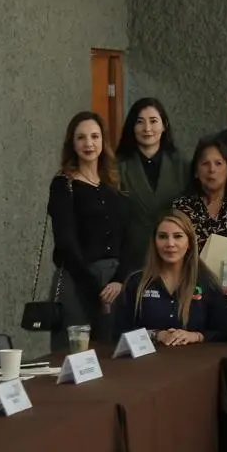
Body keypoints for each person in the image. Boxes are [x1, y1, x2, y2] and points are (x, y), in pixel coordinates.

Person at [48, 112, 131, 349]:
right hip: (77, 280)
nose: (89, 143)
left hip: (114, 283)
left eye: (95, 136)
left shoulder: (114, 184)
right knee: (73, 353)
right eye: (81, 137)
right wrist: (95, 288)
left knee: (111, 355)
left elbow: (127, 236)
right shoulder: (64, 184)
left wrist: (119, 279)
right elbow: (65, 242)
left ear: (103, 142)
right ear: (72, 143)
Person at [114, 210, 227, 345]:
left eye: (178, 236)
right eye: (163, 236)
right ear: (154, 242)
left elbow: (224, 334)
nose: (170, 243)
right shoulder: (136, 282)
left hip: (195, 363)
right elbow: (119, 335)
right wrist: (156, 335)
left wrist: (196, 336)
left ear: (190, 243)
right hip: (146, 364)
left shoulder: (208, 282)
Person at [116, 98, 190, 268]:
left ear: (164, 126)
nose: (147, 129)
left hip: (173, 257)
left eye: (153, 121)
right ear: (132, 127)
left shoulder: (183, 165)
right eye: (140, 122)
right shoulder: (117, 167)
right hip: (131, 257)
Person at [173, 139, 227, 252]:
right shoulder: (182, 207)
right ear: (196, 172)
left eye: (218, 163)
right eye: (205, 164)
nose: (212, 169)